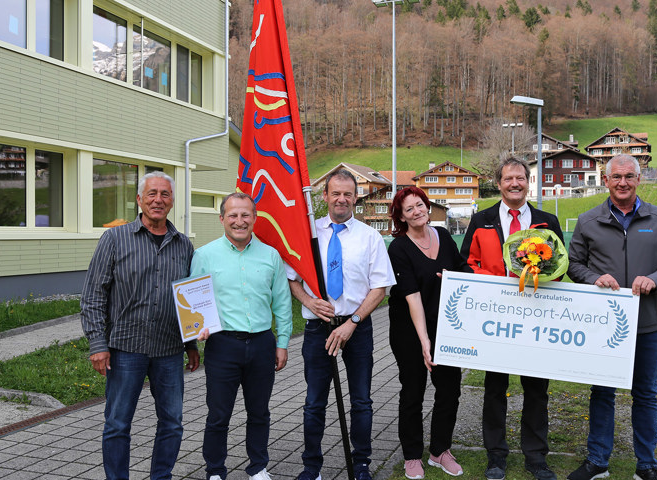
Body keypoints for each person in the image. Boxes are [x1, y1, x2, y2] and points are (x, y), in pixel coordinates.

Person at [566, 154, 657, 480]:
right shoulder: (587, 221)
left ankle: (646, 466)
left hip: (648, 325)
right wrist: (593, 277)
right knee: (602, 393)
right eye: (616, 176)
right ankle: (597, 462)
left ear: (639, 179)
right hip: (603, 327)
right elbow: (573, 264)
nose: (622, 182)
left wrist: (656, 279)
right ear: (605, 181)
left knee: (645, 394)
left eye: (629, 176)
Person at [81, 171, 199, 480]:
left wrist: (191, 344)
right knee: (118, 423)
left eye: (165, 194)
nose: (158, 200)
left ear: (172, 201)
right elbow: (94, 294)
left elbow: (187, 299)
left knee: (172, 422)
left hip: (169, 350)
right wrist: (97, 344)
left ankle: (161, 477)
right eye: (152, 194)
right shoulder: (114, 239)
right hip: (125, 350)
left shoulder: (183, 245)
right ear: (139, 200)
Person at [459, 157, 563, 480]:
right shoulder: (482, 220)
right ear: (499, 183)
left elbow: (560, 268)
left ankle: (535, 457)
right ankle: (496, 456)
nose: (515, 183)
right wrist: (492, 286)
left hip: (536, 318)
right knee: (495, 388)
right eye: (508, 179)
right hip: (497, 318)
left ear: (528, 183)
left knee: (536, 390)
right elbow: (466, 264)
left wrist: (543, 277)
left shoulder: (547, 221)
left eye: (521, 178)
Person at [287, 169, 395, 480]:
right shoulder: (308, 234)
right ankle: (312, 468)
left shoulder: (370, 237)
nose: (341, 199)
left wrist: (353, 322)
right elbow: (293, 279)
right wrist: (308, 302)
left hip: (356, 329)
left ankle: (361, 464)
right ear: (325, 196)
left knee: (361, 400)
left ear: (356, 198)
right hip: (317, 329)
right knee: (313, 402)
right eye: (335, 193)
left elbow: (380, 287)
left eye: (348, 194)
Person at [190, 192, 293, 480]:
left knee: (259, 412)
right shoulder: (205, 255)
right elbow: (194, 302)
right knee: (218, 415)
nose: (239, 221)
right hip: (222, 345)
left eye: (245, 215)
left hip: (262, 343)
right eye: (233, 215)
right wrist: (194, 330)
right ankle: (215, 471)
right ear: (222, 219)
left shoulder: (270, 255)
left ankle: (258, 467)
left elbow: (282, 303)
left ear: (254, 218)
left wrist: (282, 342)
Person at [387, 187, 467, 479]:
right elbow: (412, 298)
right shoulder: (398, 248)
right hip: (409, 330)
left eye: (419, 205)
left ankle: (439, 451)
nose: (417, 211)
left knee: (450, 390)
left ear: (427, 206)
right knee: (413, 391)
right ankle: (411, 455)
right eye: (409, 209)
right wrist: (424, 343)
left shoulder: (444, 237)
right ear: (401, 217)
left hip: (446, 326)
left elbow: (463, 270)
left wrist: (454, 278)